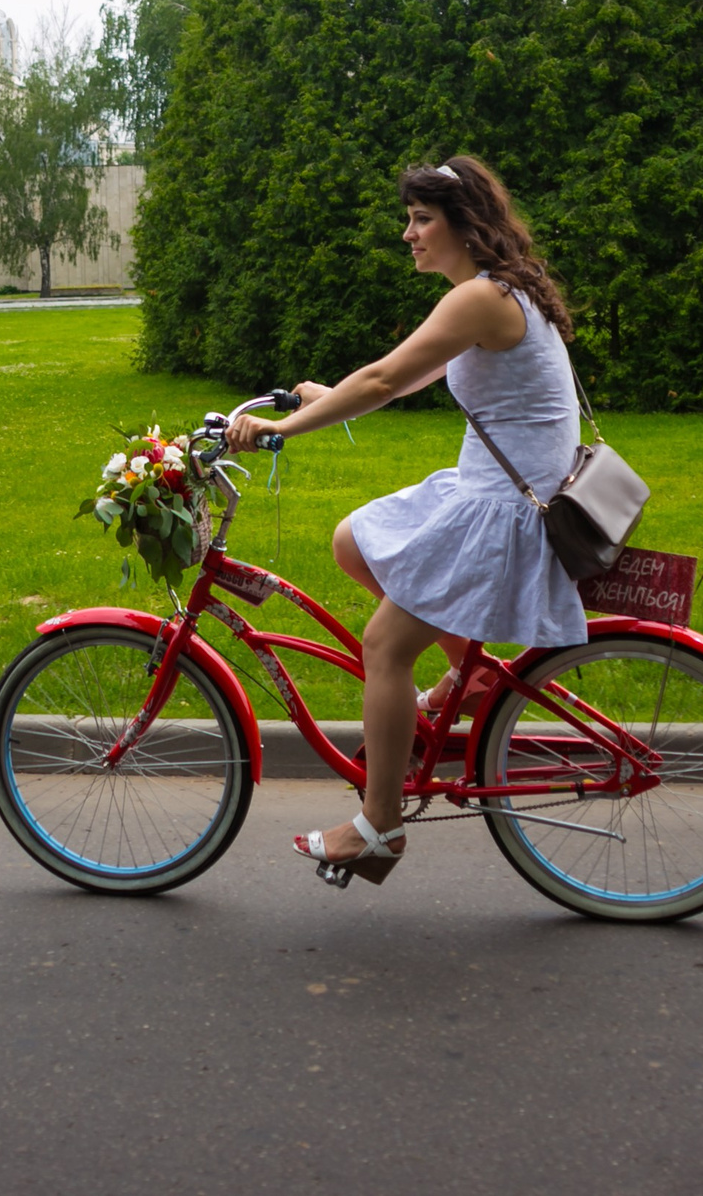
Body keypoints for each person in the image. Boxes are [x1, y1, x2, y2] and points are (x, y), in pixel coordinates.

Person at [228, 155, 586, 886]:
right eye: (411, 219)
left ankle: (380, 827)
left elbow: (386, 377)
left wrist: (278, 431)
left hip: (504, 512)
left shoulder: (481, 298)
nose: (409, 233)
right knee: (353, 540)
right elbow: (406, 377)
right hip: (498, 492)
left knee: (384, 647)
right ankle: (472, 677)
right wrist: (327, 397)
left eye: (422, 219)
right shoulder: (495, 290)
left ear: (464, 225)